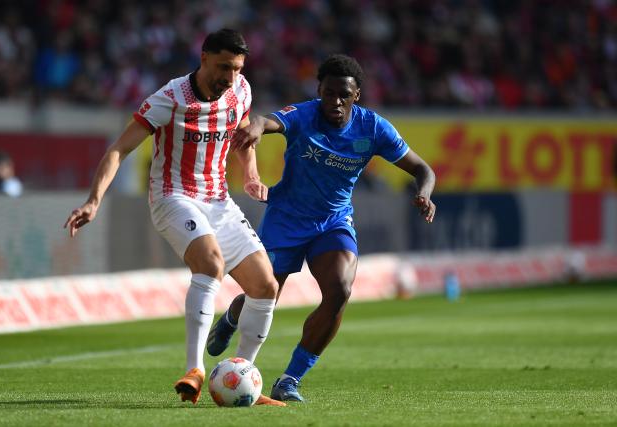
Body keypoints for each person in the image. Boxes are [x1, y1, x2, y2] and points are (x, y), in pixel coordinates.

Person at [64, 29, 285, 407]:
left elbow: (243, 137)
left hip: (219, 201)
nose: (229, 78)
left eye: (236, 69)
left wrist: (250, 175)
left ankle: (243, 376)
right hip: (173, 197)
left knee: (266, 285)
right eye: (222, 67)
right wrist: (93, 200)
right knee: (210, 263)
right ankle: (195, 370)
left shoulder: (241, 90)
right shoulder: (169, 99)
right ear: (203, 59)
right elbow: (119, 149)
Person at [207, 54, 436, 402]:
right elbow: (269, 121)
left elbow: (423, 169)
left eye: (343, 95)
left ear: (356, 94)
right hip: (286, 218)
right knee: (265, 294)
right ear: (320, 91)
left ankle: (290, 379)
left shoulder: (373, 128)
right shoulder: (305, 114)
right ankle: (232, 317)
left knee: (340, 290)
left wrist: (424, 193)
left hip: (332, 222)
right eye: (329, 94)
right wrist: (255, 127)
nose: (335, 102)